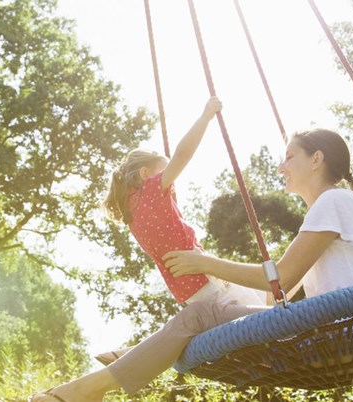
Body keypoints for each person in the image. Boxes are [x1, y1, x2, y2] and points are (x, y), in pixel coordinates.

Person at [29, 128, 353, 401]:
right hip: (346, 332)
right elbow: (274, 293)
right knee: (204, 318)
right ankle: (128, 362)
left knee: (199, 316)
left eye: (289, 156)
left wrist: (204, 263)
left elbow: (277, 280)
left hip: (346, 335)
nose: (281, 166)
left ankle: (87, 388)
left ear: (316, 159)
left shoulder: (333, 203)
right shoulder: (333, 208)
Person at [95, 96, 264, 365]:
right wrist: (206, 115)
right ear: (144, 174)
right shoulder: (152, 190)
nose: (170, 182)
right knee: (274, 316)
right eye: (163, 173)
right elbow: (183, 155)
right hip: (206, 279)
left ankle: (132, 352)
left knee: (243, 322)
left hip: (191, 291)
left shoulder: (131, 215)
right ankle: (134, 353)